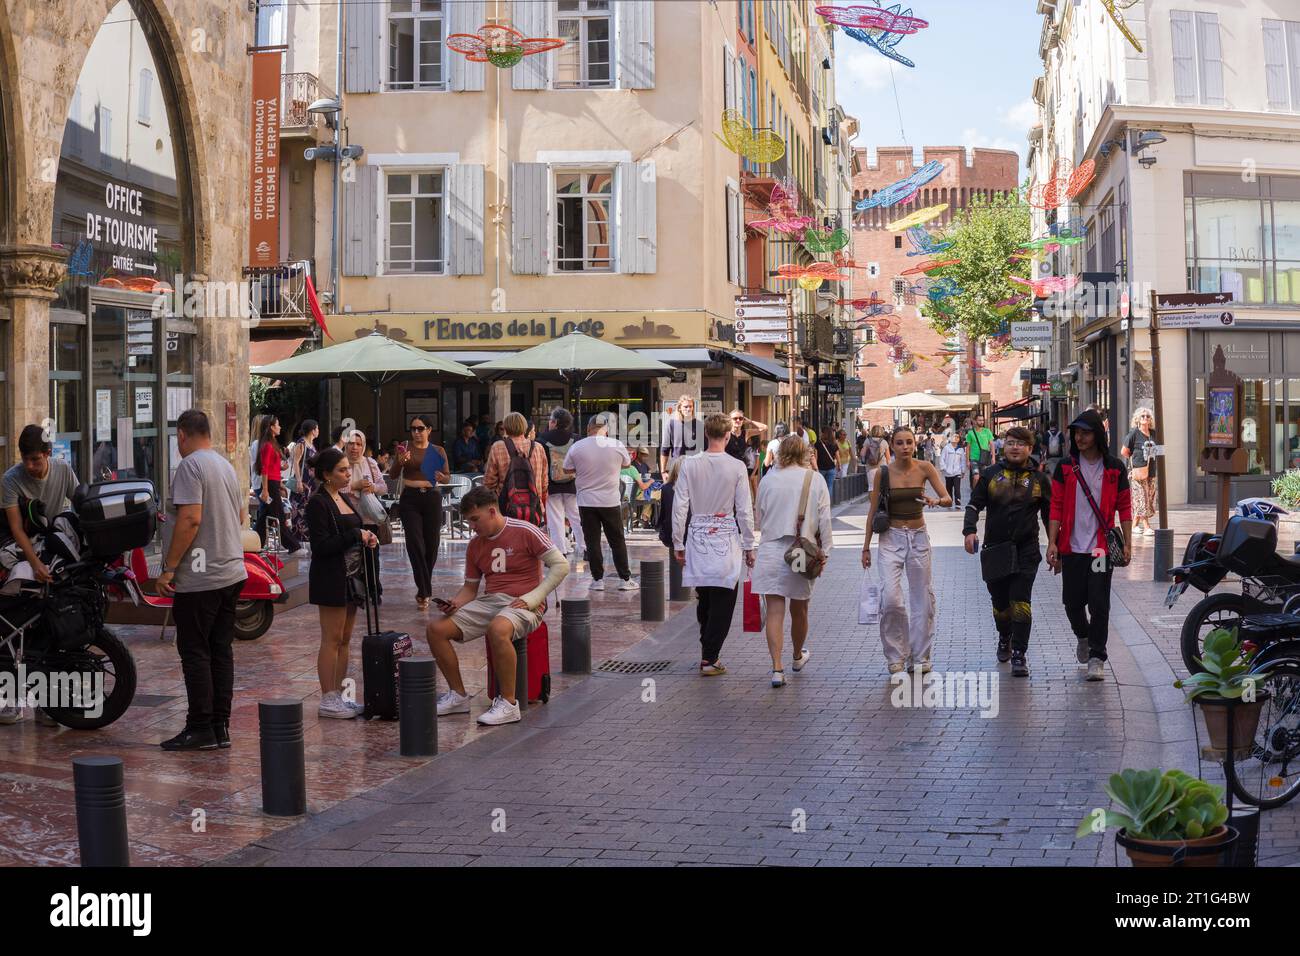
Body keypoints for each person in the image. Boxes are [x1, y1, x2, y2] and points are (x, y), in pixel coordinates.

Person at [427, 486, 569, 726]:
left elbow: (561, 566)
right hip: (491, 601)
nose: (472, 526)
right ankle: (458, 696)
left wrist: (534, 598)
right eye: (468, 521)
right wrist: (456, 603)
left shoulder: (525, 531)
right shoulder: (475, 545)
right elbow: (470, 588)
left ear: (492, 512)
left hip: (526, 602)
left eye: (475, 519)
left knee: (498, 629)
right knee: (436, 630)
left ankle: (509, 704)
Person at [156, 410, 248, 751]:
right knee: (220, 651)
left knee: (195, 652)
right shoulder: (224, 465)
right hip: (230, 572)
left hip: (201, 576)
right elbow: (239, 515)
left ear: (181, 435)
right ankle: (219, 727)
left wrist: (169, 567)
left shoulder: (190, 466)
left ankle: (199, 727)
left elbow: (190, 519)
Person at [1047, 409, 1133, 682]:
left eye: (1085, 432)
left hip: (1099, 548)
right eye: (1077, 433)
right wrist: (1051, 542)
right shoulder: (1064, 467)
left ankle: (1097, 656)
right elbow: (1056, 506)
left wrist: (1128, 542)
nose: (1080, 437)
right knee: (1072, 602)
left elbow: (1125, 507)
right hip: (1071, 547)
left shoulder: (1114, 468)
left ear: (1098, 434)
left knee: (1099, 602)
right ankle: (1083, 637)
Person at [962, 425, 1052, 677]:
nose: (1015, 447)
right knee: (1000, 603)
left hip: (1027, 549)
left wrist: (1055, 545)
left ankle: (1019, 654)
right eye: (1011, 442)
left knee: (1020, 601)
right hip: (996, 549)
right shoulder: (991, 475)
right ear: (1003, 446)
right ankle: (1005, 636)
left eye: (1021, 444)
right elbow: (973, 505)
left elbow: (1050, 516)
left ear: (1030, 448)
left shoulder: (1039, 479)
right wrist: (969, 530)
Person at [862, 426, 951, 675]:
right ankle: (896, 656)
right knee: (891, 599)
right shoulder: (883, 472)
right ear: (892, 444)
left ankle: (921, 655)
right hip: (890, 538)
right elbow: (872, 511)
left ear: (915, 444)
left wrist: (936, 500)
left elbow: (947, 499)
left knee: (922, 599)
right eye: (900, 443)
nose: (905, 447)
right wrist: (866, 546)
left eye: (909, 443)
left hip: (918, 537)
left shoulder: (925, 467)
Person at [672, 414, 756, 677]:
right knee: (724, 595)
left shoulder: (689, 464)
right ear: (728, 435)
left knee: (705, 594)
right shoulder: (737, 466)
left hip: (697, 532)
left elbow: (680, 505)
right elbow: (744, 509)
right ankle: (710, 656)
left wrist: (678, 541)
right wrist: (749, 544)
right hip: (726, 533)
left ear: (706, 434)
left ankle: (707, 652)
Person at [752, 435, 832, 686]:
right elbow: (824, 519)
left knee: (775, 610)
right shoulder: (814, 479)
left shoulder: (767, 480)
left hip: (771, 548)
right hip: (801, 550)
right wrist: (825, 551)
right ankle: (797, 656)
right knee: (800, 608)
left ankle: (777, 669)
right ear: (806, 453)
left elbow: (758, 515)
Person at [305, 447, 379, 719]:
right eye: (342, 470)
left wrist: (367, 537)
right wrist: (355, 535)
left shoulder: (344, 497)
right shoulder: (318, 503)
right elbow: (321, 545)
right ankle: (328, 697)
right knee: (332, 638)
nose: (349, 473)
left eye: (349, 469)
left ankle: (338, 695)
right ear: (326, 475)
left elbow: (356, 531)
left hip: (352, 576)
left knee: (345, 639)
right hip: (331, 577)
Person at [564, 413, 638, 591]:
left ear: (589, 428)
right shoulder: (616, 445)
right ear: (606, 429)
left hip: (586, 501)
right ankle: (625, 579)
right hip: (610, 500)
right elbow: (627, 464)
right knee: (617, 540)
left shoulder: (577, 446)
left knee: (592, 541)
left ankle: (598, 580)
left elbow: (567, 469)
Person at [2, 425, 80, 585]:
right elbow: (16, 528)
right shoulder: (10, 479)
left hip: (55, 539)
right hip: (23, 544)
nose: (29, 465)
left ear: (47, 454)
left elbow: (82, 505)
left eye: (35, 459)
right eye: (25, 459)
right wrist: (35, 564)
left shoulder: (63, 469)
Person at [388, 414, 450, 611]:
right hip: (410, 499)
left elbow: (447, 478)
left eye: (420, 428)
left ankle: (423, 588)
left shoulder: (438, 450)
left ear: (429, 430)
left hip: (432, 497)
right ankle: (425, 591)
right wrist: (400, 461)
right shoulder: (405, 447)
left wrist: (442, 477)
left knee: (431, 546)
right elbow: (393, 474)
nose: (416, 432)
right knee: (415, 544)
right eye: (413, 428)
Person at [483, 411, 549, 525]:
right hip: (533, 508)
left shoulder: (498, 447)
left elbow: (489, 482)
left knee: (508, 541)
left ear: (506, 428)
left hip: (506, 507)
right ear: (524, 427)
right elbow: (544, 483)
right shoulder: (538, 448)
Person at [254, 415, 305, 556]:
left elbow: (271, 467)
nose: (280, 427)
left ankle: (254, 543)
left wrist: (281, 471)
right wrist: (265, 490)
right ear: (271, 427)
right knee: (278, 516)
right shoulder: (268, 446)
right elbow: (264, 469)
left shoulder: (272, 444)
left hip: (274, 483)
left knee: (266, 516)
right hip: (269, 485)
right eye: (277, 425)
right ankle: (293, 547)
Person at [538, 407, 585, 558]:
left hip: (552, 486)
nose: (549, 423)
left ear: (555, 422)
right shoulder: (576, 439)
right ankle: (586, 548)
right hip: (572, 484)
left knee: (555, 518)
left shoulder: (542, 439)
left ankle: (560, 551)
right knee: (576, 516)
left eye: (551, 420)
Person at [1122, 407, 1159, 537]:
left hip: (1151, 471)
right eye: (1143, 416)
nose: (1145, 418)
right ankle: (1147, 526)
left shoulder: (1154, 434)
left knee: (1148, 500)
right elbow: (1124, 452)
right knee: (1141, 499)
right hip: (1138, 472)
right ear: (1138, 419)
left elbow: (1160, 450)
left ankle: (1134, 525)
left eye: (1148, 416)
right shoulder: (1134, 434)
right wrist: (1132, 466)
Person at [660, 395, 703, 473]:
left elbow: (705, 450)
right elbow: (665, 450)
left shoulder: (699, 425)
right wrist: (663, 471)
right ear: (680, 408)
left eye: (690, 406)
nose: (688, 409)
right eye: (685, 407)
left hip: (695, 468)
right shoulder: (671, 425)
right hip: (677, 468)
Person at [621, 446, 655, 528]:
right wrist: (650, 481)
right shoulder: (632, 468)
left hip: (619, 496)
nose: (645, 457)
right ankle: (645, 519)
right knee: (653, 495)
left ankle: (638, 519)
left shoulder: (615, 468)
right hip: (634, 494)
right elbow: (643, 486)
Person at [964, 412, 994, 489]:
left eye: (982, 420)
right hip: (974, 459)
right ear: (975, 421)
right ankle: (975, 493)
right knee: (976, 477)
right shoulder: (970, 433)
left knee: (983, 477)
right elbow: (968, 448)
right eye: (980, 420)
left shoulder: (987, 431)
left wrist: (993, 457)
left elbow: (992, 445)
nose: (982, 422)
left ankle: (981, 493)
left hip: (984, 459)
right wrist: (967, 461)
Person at [940, 432, 967, 509]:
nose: (956, 438)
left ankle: (958, 504)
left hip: (957, 472)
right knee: (949, 489)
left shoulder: (961, 449)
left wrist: (963, 471)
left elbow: (962, 461)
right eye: (954, 437)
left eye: (957, 437)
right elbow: (942, 459)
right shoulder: (946, 448)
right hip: (948, 473)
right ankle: (949, 503)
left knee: (957, 489)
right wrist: (944, 469)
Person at [860, 424, 890, 490]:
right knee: (881, 487)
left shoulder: (867, 441)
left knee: (871, 487)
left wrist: (863, 460)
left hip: (870, 467)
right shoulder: (884, 442)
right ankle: (879, 500)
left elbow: (862, 454)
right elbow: (888, 458)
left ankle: (872, 500)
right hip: (882, 467)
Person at [813, 428, 838, 499]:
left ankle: (821, 502)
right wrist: (839, 465)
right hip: (831, 468)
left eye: (821, 432)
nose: (820, 434)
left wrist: (815, 467)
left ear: (824, 434)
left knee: (820, 486)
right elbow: (837, 456)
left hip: (821, 468)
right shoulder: (834, 444)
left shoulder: (818, 444)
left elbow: (816, 456)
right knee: (829, 486)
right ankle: (828, 503)